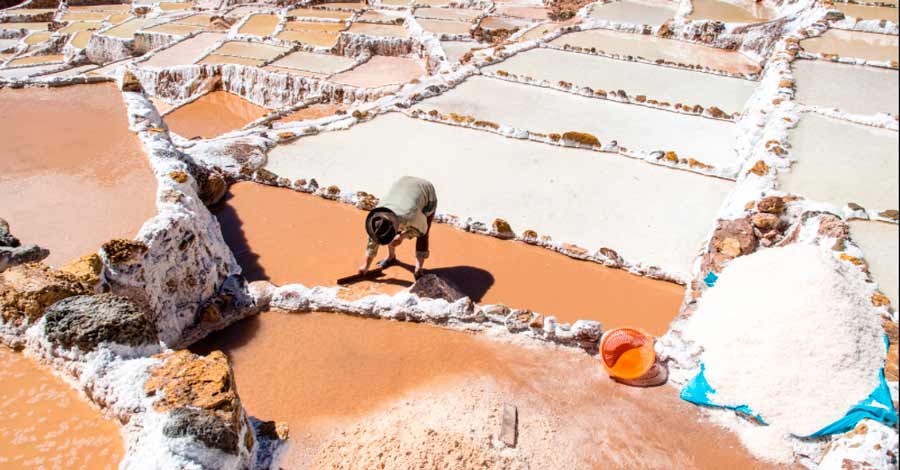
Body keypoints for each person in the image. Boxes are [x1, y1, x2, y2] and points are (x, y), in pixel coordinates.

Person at [359, 176, 438, 279]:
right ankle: (391, 257)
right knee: (387, 231)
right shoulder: (376, 218)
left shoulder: (410, 216)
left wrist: (403, 236)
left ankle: (419, 268)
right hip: (403, 186)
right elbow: (373, 241)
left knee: (423, 236)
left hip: (426, 193)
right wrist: (366, 266)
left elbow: (422, 229)